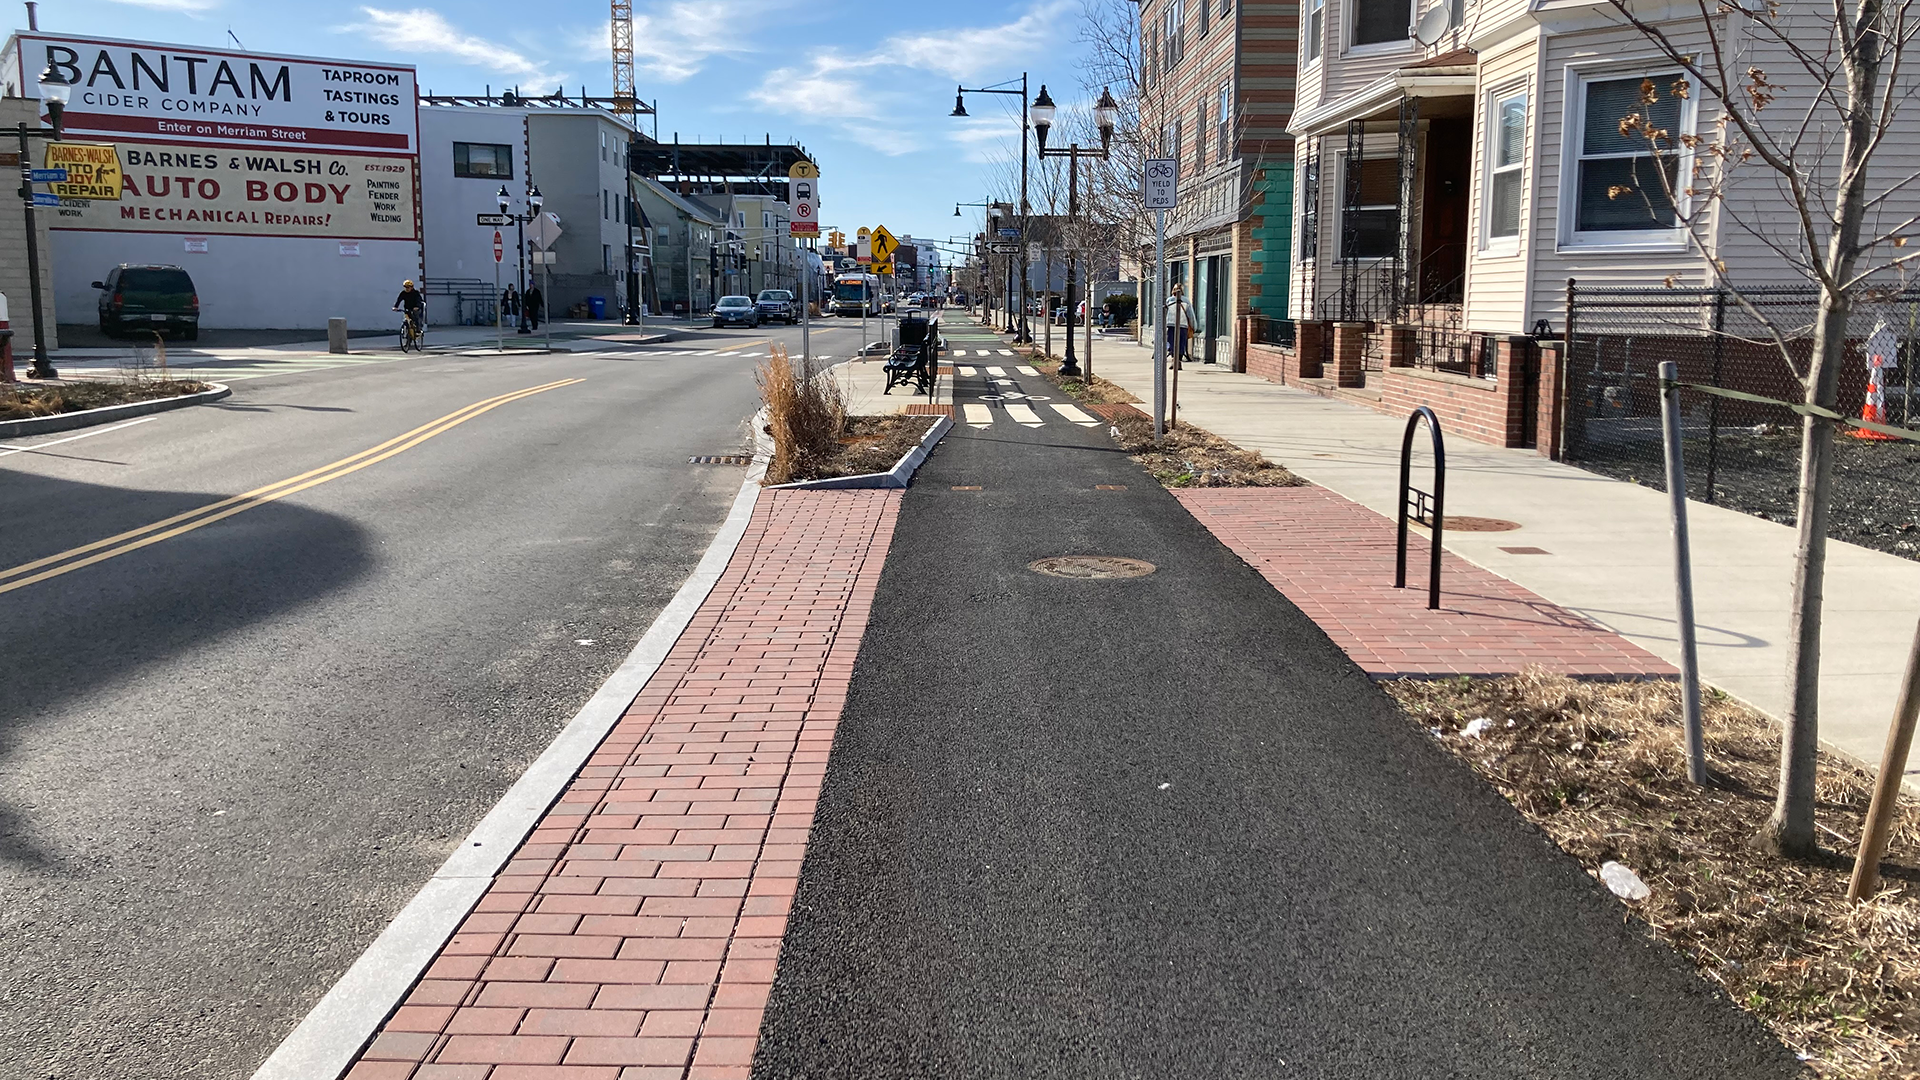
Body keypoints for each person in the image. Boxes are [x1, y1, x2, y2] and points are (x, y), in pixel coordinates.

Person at [1164, 283, 1196, 366]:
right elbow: (1190, 315)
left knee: (1172, 342)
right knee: (1181, 343)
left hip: (1171, 325)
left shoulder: (1169, 300)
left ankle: (1174, 360)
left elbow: (1165, 314)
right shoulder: (1186, 301)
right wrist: (1193, 326)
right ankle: (1178, 361)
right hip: (1183, 325)